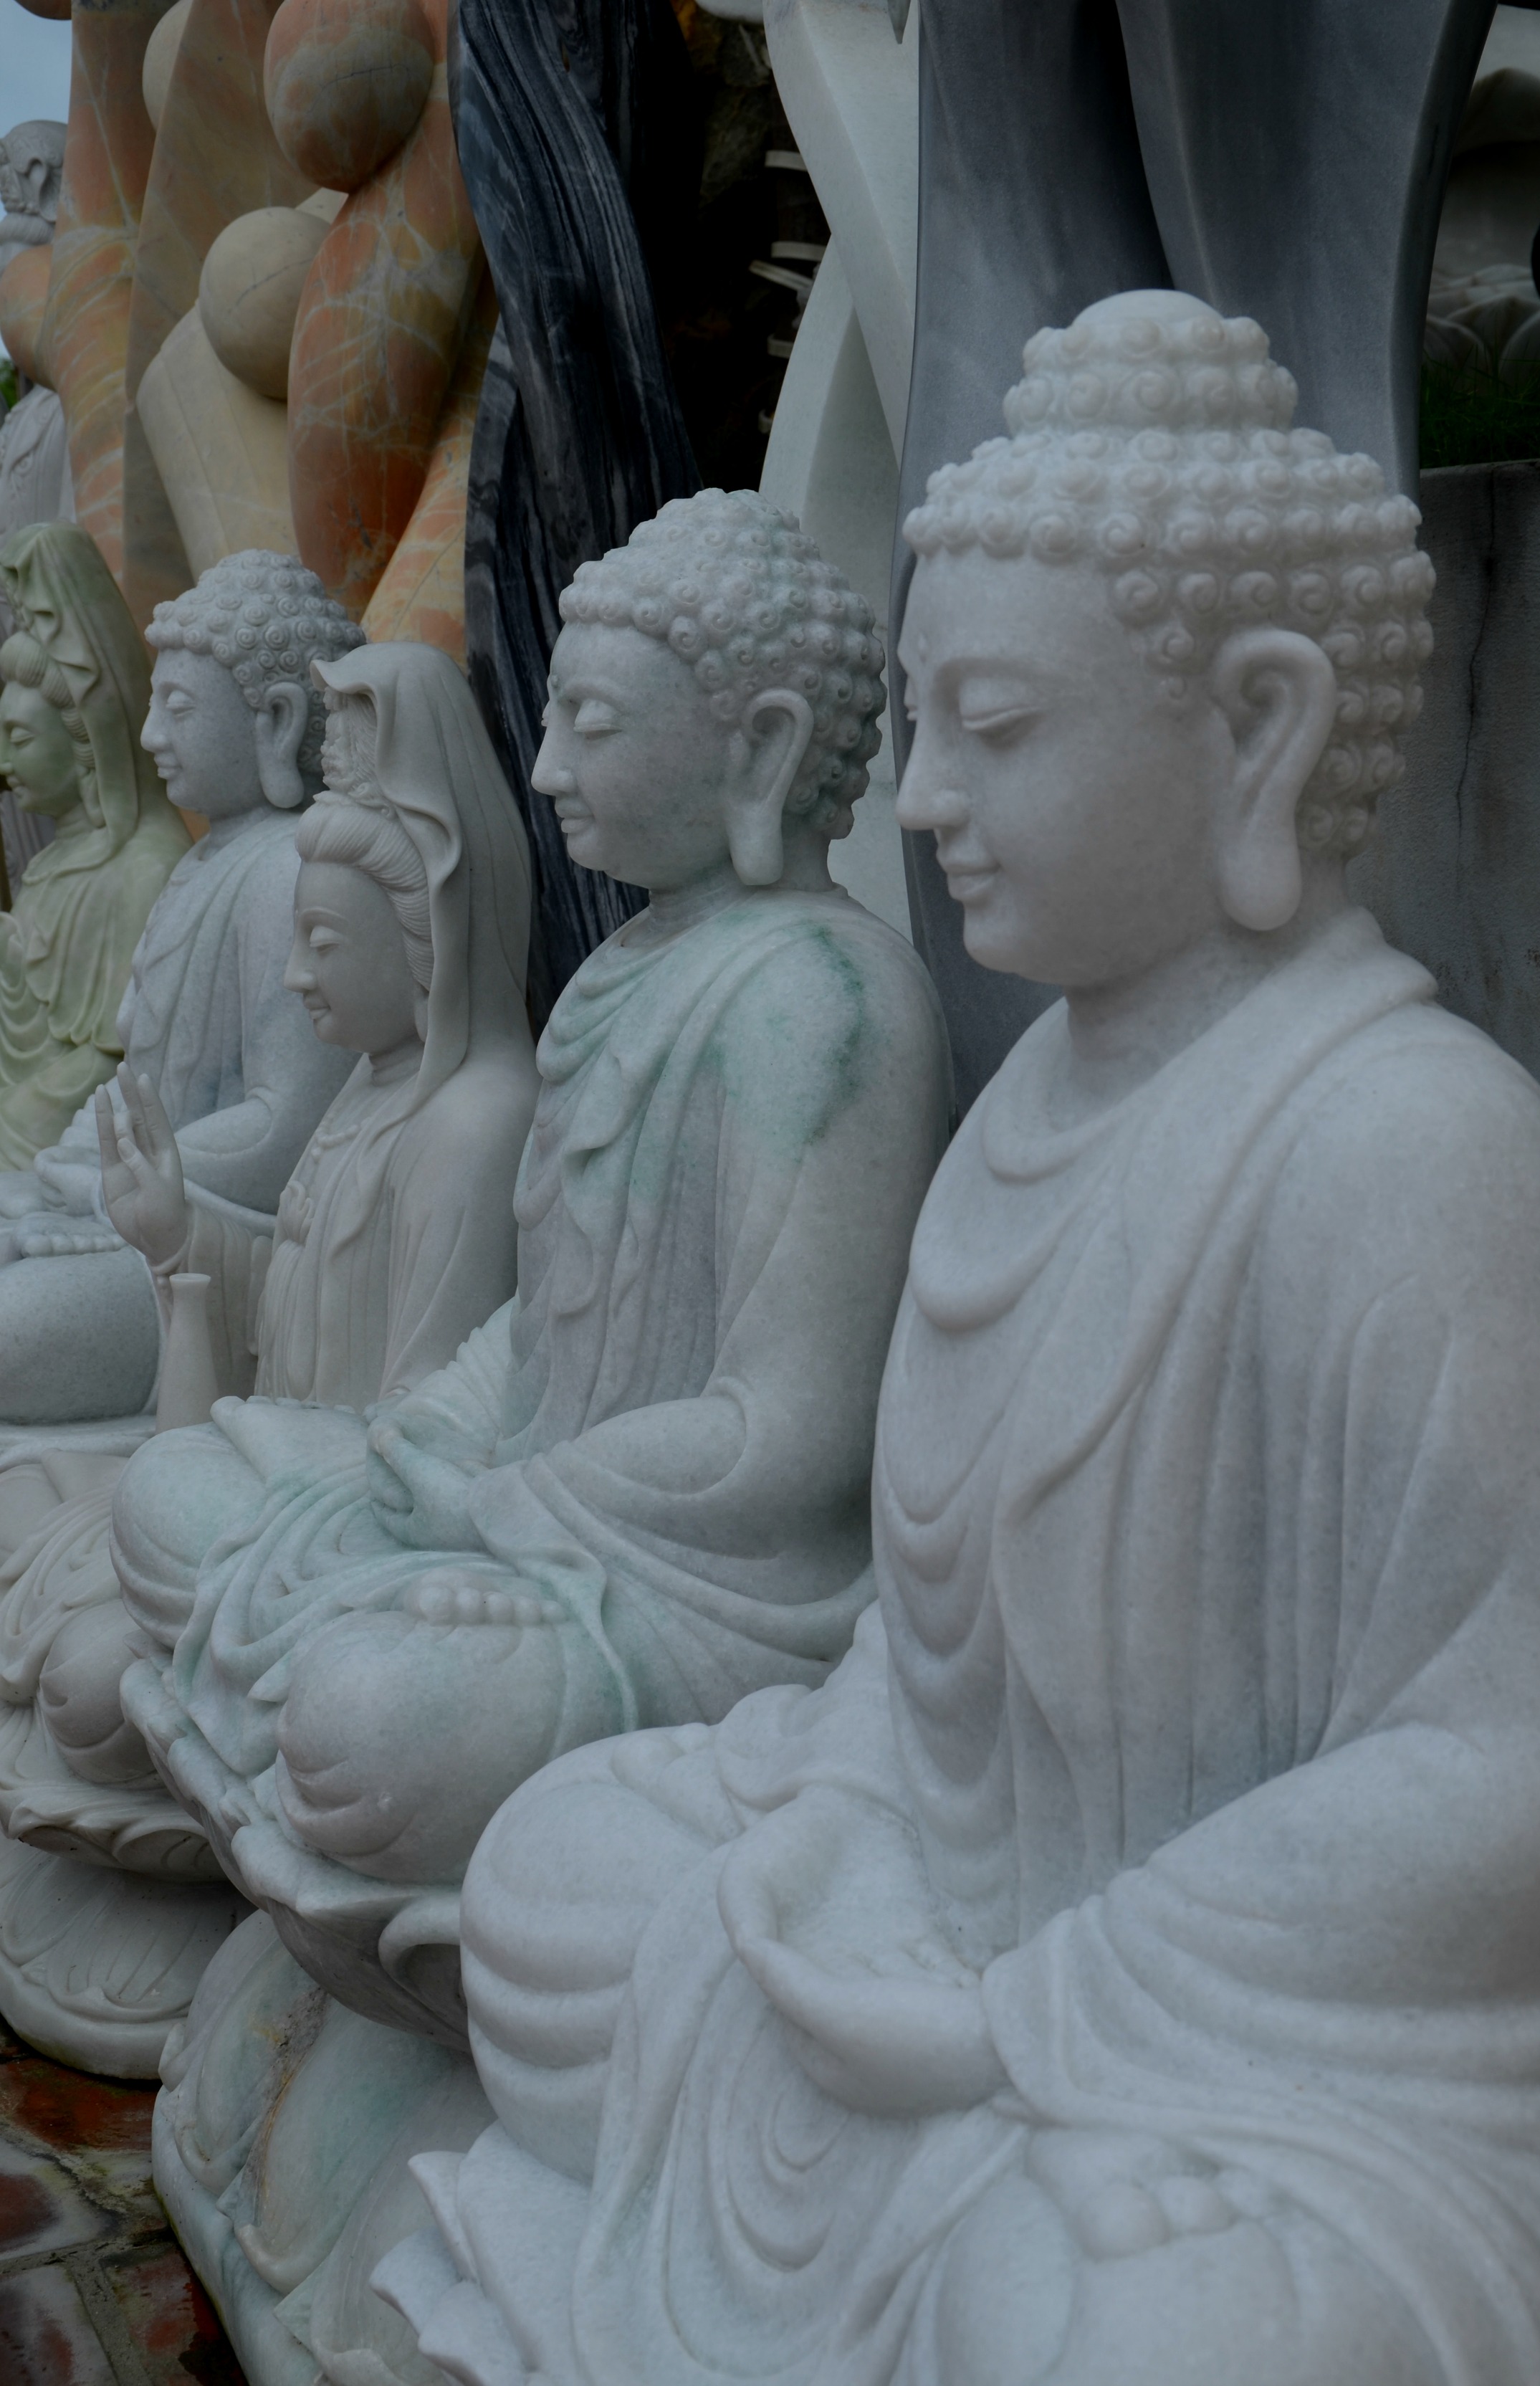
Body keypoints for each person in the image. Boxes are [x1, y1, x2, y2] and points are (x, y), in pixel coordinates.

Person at [379, 294, 1540, 2386]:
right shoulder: (1027, 1101)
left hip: (1265, 2039)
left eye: (997, 727)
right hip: (951, 1919)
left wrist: (1046, 2000)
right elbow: (920, 1648)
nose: (925, 799)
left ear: (1261, 729)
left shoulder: (1414, 1144)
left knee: (1159, 2333)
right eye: (922, 724)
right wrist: (848, 1821)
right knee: (555, 1882)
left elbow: (1521, 1769)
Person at [111, 491, 952, 2034]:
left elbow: (789, 1436)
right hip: (520, 1502)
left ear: (762, 749)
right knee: (172, 1493)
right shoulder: (623, 968)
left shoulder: (827, 1001)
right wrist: (423, 1433)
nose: (548, 767)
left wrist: (501, 1508)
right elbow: (538, 1320)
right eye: (550, 722)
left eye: (592, 725)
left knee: (367, 1727)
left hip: (699, 1587)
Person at [0, 640, 537, 2074]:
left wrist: (222, 1465)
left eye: (325, 946)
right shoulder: (367, 1093)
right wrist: (175, 1243)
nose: (296, 976)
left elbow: (421, 1440)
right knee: (36, 1522)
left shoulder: (476, 1120)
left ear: (424, 939)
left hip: (334, 1532)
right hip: (253, 1496)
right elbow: (254, 1361)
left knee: (92, 1680)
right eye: (295, 939)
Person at [0, 548, 361, 1427]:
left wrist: (112, 1187)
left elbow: (283, 1128)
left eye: (180, 708)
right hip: (138, 1201)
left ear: (277, 719)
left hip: (217, 1249)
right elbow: (136, 1081)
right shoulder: (202, 866)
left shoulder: (290, 872)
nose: (151, 736)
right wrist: (68, 1169)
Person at [0, 523, 188, 1168]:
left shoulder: (146, 868)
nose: (3, 764)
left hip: (77, 1153)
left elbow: (115, 1062)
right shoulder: (50, 865)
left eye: (20, 738)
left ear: (86, 736)